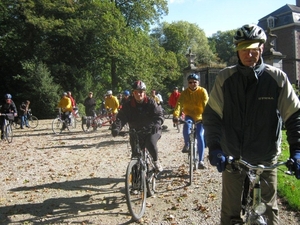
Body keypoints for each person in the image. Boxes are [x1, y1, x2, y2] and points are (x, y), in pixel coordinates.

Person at [202, 24, 300, 225]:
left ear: (261, 48)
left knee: (269, 212)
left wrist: (297, 150)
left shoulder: (277, 78)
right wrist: (215, 148)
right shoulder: (225, 78)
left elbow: (294, 116)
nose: (249, 53)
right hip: (233, 157)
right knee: (230, 212)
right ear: (237, 49)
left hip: (265, 156)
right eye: (244, 48)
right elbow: (212, 116)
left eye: (253, 47)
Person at [111, 80, 164, 172]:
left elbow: (159, 114)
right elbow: (121, 117)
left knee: (150, 143)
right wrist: (117, 127)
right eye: (136, 92)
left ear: (144, 93)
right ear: (133, 93)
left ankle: (156, 162)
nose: (138, 94)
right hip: (135, 131)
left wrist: (157, 124)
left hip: (152, 130)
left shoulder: (151, 102)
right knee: (135, 154)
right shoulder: (128, 105)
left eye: (141, 92)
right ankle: (136, 180)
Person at [173, 73, 208, 169]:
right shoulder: (184, 93)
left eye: (195, 82)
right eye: (190, 82)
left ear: (198, 82)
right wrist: (176, 115)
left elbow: (206, 104)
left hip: (200, 116)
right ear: (188, 83)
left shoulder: (202, 91)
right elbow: (179, 104)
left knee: (200, 135)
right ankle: (187, 145)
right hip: (189, 115)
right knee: (186, 127)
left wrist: (206, 117)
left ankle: (201, 160)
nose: (193, 84)